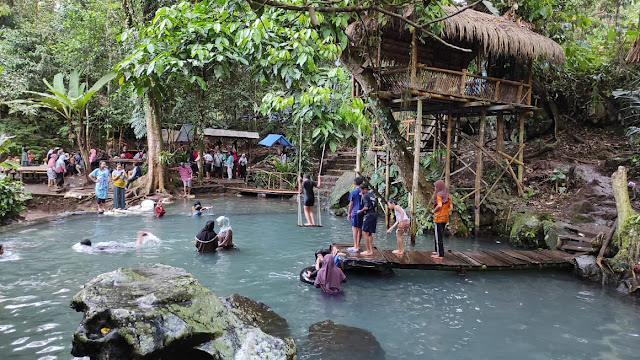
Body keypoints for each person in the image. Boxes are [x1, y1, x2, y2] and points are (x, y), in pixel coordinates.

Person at [432, 179, 452, 259]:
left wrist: (434, 210)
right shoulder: (448, 195)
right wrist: (445, 212)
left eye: (435, 187)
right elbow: (451, 208)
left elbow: (439, 205)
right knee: (440, 235)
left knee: (438, 236)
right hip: (445, 218)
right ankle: (437, 250)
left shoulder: (439, 195)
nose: (435, 188)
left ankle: (440, 254)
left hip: (438, 218)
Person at [357, 183, 377, 256]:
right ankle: (370, 250)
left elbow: (366, 207)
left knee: (365, 232)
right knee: (369, 233)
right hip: (374, 214)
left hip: (369, 215)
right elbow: (375, 207)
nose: (360, 191)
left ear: (365, 189)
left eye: (361, 190)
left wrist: (360, 211)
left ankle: (368, 250)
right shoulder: (372, 195)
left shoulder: (365, 196)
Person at [347, 176, 364, 253]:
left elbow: (351, 204)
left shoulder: (353, 192)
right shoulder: (363, 191)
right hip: (362, 211)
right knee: (360, 228)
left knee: (354, 228)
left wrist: (349, 213)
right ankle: (358, 244)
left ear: (354, 183)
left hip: (355, 211)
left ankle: (355, 246)